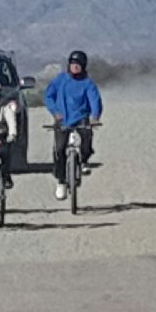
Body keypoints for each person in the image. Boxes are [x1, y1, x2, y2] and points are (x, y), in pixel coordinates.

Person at [44, 50, 103, 200]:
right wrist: (55, 111)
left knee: (86, 136)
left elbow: (95, 101)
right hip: (62, 119)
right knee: (59, 149)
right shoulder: (60, 80)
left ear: (83, 66)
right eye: (72, 64)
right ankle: (61, 181)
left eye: (78, 65)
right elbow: (48, 96)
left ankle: (83, 161)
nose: (75, 67)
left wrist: (94, 116)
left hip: (81, 117)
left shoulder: (88, 83)